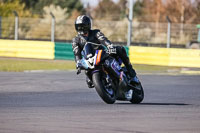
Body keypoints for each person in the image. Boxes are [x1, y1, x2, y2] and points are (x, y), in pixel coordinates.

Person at [72, 15, 139, 88]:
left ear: (88, 25)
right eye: (78, 26)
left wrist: (109, 46)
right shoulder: (76, 40)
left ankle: (132, 73)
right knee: (89, 82)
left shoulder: (96, 33)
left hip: (101, 54)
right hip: (89, 60)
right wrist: (78, 62)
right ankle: (105, 85)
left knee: (120, 49)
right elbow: (76, 53)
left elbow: (103, 40)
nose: (81, 28)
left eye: (83, 26)